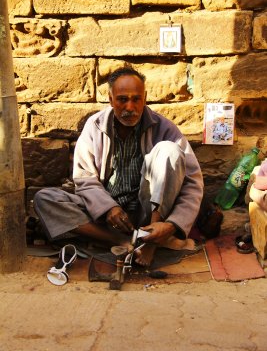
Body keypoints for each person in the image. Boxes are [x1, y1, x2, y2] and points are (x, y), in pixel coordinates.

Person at [34, 66, 203, 266]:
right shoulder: (95, 126)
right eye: (123, 99)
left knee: (169, 151)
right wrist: (108, 208)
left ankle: (151, 241)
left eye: (136, 99)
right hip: (107, 218)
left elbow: (193, 183)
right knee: (44, 198)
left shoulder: (164, 127)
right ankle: (124, 242)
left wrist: (171, 225)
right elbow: (84, 178)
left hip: (147, 213)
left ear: (145, 98)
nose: (130, 107)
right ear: (111, 99)